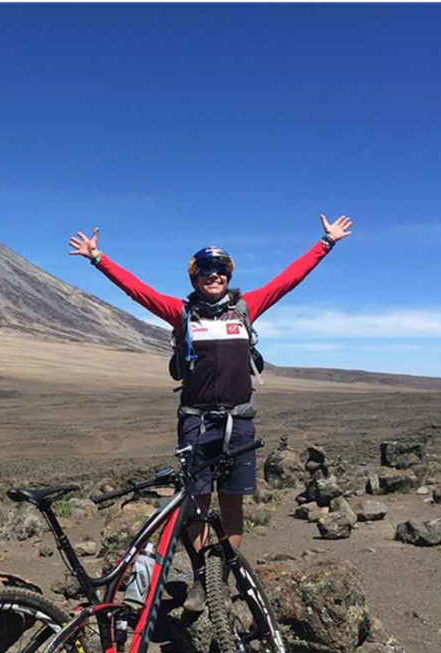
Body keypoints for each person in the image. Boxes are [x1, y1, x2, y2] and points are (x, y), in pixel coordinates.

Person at [68, 214, 353, 612]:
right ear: (195, 277)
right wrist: (98, 258)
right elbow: (137, 291)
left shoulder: (245, 308)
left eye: (220, 270)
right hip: (196, 422)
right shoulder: (180, 313)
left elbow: (289, 279)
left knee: (233, 503)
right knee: (195, 506)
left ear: (228, 274)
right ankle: (204, 576)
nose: (214, 276)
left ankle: (221, 575)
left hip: (240, 421)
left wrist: (326, 242)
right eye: (206, 271)